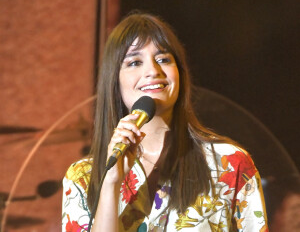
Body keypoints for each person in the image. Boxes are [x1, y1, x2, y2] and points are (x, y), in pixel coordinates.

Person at [62, 12, 268, 231]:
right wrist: (111, 183)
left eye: (163, 59)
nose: (152, 71)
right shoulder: (82, 178)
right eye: (134, 62)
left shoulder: (229, 163)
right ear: (114, 80)